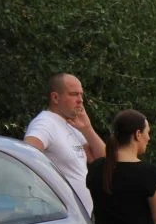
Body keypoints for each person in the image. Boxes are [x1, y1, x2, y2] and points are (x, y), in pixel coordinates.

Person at [24, 73, 106, 215]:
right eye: (74, 94)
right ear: (55, 97)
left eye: (81, 95)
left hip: (78, 218)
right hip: (57, 216)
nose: (80, 100)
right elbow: (25, 154)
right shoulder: (45, 123)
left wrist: (87, 128)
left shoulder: (72, 125)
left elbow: (103, 159)